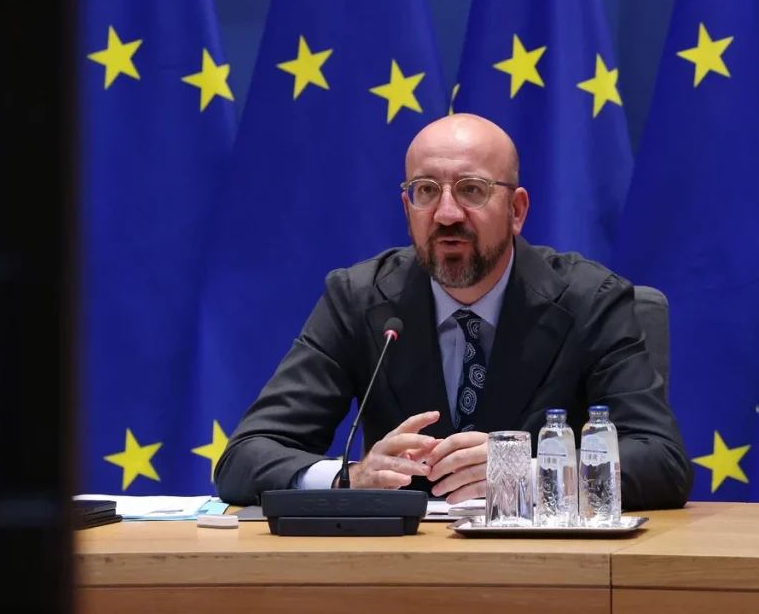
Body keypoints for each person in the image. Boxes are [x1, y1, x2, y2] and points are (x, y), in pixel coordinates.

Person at [213, 113, 693, 510]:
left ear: (517, 210)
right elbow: (244, 458)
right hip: (399, 569)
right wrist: (350, 478)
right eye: (426, 191)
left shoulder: (590, 299)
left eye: (471, 190)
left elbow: (661, 461)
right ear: (407, 208)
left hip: (547, 568)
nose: (446, 214)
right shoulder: (359, 298)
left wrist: (526, 473)